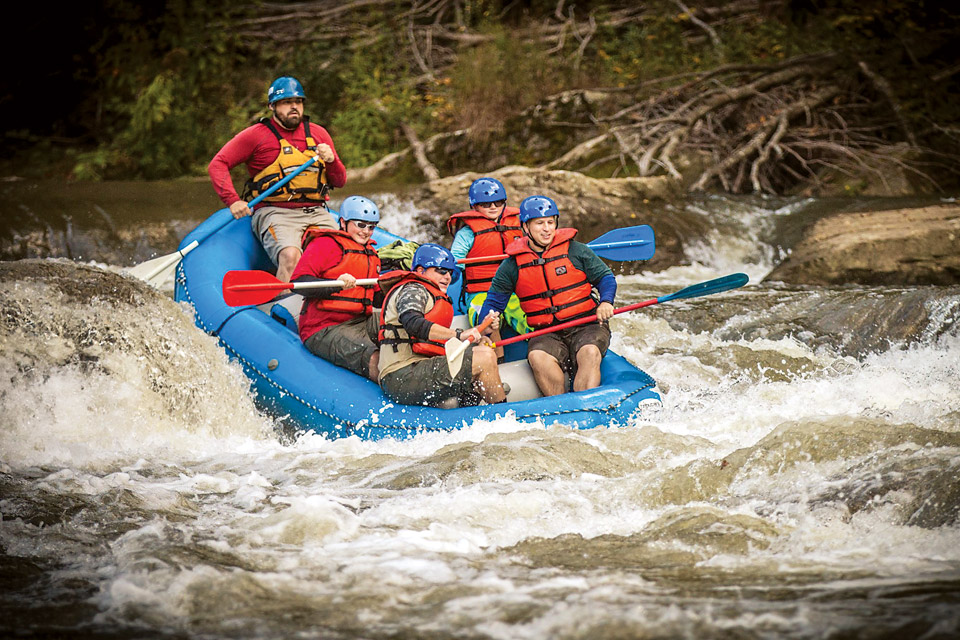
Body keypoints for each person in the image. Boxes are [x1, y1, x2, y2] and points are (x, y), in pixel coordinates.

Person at [208, 76, 347, 282]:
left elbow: (340, 181)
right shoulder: (256, 136)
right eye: (287, 102)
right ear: (272, 106)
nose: (294, 107)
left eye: (298, 102)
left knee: (342, 255)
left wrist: (332, 160)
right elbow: (217, 164)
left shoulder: (319, 134)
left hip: (316, 211)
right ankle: (284, 308)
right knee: (291, 256)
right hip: (275, 212)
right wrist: (233, 200)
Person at [478, 195, 616, 397]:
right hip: (546, 331)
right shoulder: (511, 266)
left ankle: (584, 405)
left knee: (589, 352)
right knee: (537, 357)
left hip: (587, 324)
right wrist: (486, 325)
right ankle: (560, 407)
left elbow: (605, 278)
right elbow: (493, 302)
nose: (547, 229)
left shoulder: (576, 251)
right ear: (525, 227)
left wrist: (606, 301)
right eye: (540, 223)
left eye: (551, 222)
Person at [378, 243, 506, 407]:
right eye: (441, 271)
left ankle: (474, 412)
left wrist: (482, 331)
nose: (447, 277)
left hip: (418, 369)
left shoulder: (429, 293)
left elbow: (436, 341)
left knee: (483, 350)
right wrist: (460, 335)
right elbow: (412, 323)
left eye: (450, 272)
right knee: (485, 358)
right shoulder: (413, 289)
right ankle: (504, 417)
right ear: (420, 271)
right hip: (402, 375)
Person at [291, 196, 382, 382]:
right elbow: (299, 282)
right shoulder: (326, 244)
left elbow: (375, 298)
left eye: (371, 227)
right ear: (343, 222)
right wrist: (335, 284)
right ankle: (400, 397)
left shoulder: (371, 254)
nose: (366, 232)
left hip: (359, 321)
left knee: (402, 325)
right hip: (323, 327)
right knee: (376, 357)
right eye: (361, 225)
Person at [446, 177, 531, 336]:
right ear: (474, 206)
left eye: (498, 202)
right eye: (486, 204)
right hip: (480, 293)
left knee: (532, 318)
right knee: (487, 320)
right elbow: (455, 262)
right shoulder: (467, 233)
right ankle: (496, 358)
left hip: (514, 290)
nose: (493, 207)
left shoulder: (519, 226)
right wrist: (450, 274)